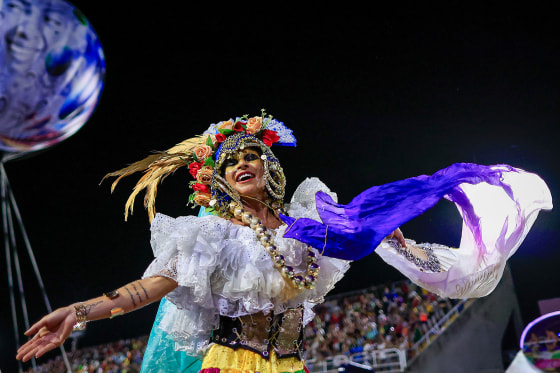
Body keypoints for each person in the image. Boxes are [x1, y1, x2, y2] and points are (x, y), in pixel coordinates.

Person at [16, 112, 552, 373]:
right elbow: (148, 287)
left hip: (291, 367)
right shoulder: (210, 236)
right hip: (231, 366)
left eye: (250, 156)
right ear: (220, 182)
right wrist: (79, 311)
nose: (241, 164)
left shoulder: (307, 225)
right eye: (230, 163)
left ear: (268, 168)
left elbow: (363, 234)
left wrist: (395, 237)